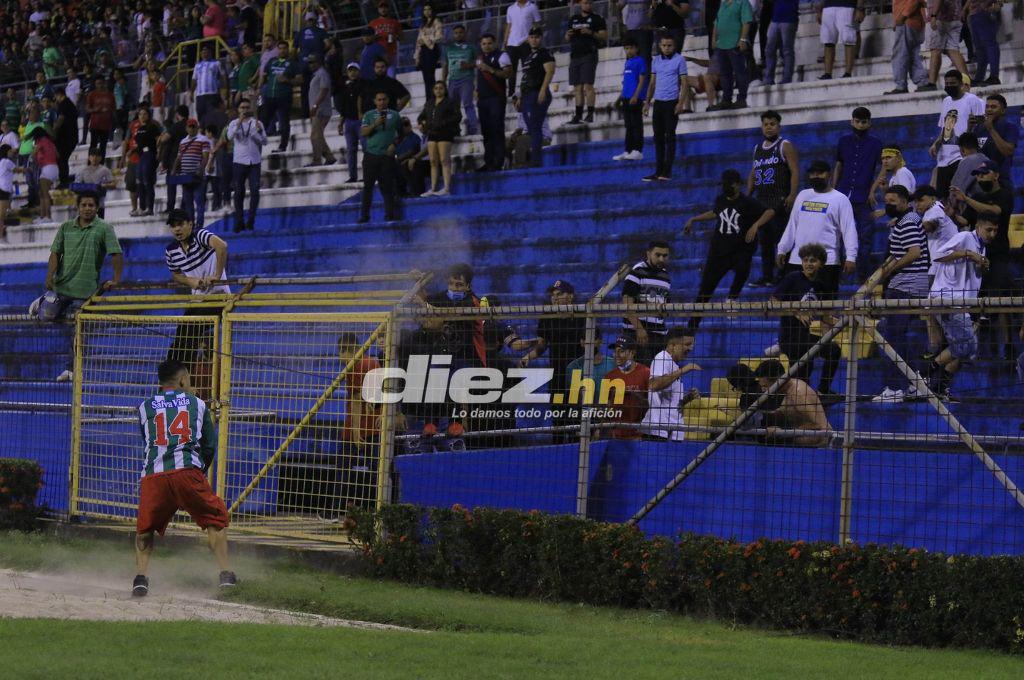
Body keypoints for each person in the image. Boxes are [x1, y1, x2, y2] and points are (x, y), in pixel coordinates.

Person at [132, 358, 235, 598]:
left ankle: (140, 578)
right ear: (182, 380)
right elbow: (209, 445)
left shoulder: (144, 407)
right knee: (215, 518)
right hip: (187, 472)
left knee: (145, 527)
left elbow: (148, 441)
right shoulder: (197, 404)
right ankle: (226, 575)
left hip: (154, 475)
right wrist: (199, 471)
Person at [685, 169, 774, 327]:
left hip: (739, 249)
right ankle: (692, 327)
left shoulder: (747, 202)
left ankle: (732, 299)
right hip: (719, 251)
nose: (727, 187)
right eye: (725, 184)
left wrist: (755, 225)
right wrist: (694, 219)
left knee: (743, 267)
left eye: (730, 184)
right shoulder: (720, 199)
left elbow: (769, 211)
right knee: (705, 290)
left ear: (738, 185)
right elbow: (715, 212)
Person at [927, 216, 998, 400]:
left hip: (963, 303)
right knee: (967, 346)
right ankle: (925, 374)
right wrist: (967, 253)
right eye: (989, 230)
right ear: (978, 227)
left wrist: (982, 265)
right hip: (947, 299)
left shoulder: (982, 247)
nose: (992, 234)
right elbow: (938, 256)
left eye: (995, 231)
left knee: (968, 349)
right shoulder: (966, 237)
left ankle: (938, 388)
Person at [872, 185, 931, 402]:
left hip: (905, 285)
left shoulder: (907, 222)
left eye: (893, 201)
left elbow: (914, 252)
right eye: (886, 201)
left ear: (905, 201)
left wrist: (890, 270)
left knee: (891, 338)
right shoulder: (908, 220)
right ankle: (915, 384)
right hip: (909, 284)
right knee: (898, 337)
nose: (888, 205)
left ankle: (895, 388)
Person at [39, 191, 123, 323]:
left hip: (85, 292)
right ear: (77, 207)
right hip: (60, 288)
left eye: (91, 205)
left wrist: (116, 280)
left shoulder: (105, 228)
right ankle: (42, 302)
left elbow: (116, 253)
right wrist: (50, 275)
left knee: (78, 325)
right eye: (83, 205)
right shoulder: (65, 227)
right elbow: (55, 253)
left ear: (97, 208)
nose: (87, 208)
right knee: (45, 316)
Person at [777, 161, 858, 296]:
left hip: (827, 262)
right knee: (793, 304)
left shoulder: (840, 199)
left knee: (825, 305)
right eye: (813, 173)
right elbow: (792, 225)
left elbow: (849, 230)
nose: (816, 176)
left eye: (820, 173)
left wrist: (851, 257)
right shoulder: (802, 195)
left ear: (829, 175)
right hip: (798, 260)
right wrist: (782, 249)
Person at [771, 243, 842, 396]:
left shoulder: (821, 285)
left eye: (813, 260)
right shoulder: (793, 278)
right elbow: (773, 301)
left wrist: (839, 323)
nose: (809, 264)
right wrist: (796, 312)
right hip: (790, 338)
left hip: (804, 337)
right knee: (801, 380)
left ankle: (822, 390)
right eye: (805, 260)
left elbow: (825, 316)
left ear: (821, 263)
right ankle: (813, 393)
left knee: (832, 351)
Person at [746, 110, 799, 286]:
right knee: (765, 241)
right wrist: (748, 195)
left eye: (772, 124)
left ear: (779, 126)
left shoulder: (784, 145)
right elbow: (754, 172)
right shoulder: (757, 148)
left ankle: (784, 275)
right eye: (766, 124)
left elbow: (794, 171)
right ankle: (767, 276)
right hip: (761, 200)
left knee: (781, 240)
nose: (769, 127)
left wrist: (792, 194)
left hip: (779, 199)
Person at [833, 107, 883, 282]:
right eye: (857, 121)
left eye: (863, 122)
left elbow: (882, 168)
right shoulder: (843, 141)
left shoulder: (876, 143)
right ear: (852, 121)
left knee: (865, 237)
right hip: (843, 194)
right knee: (838, 234)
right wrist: (833, 190)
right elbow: (839, 166)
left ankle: (863, 277)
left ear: (869, 123)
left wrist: (873, 190)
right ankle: (838, 275)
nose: (860, 125)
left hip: (863, 196)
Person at [640, 328, 701, 441]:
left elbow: (670, 402)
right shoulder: (662, 358)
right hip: (658, 431)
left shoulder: (674, 365)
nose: (690, 348)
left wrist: (688, 398)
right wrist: (683, 370)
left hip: (670, 431)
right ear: (673, 345)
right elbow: (654, 385)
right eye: (687, 344)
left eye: (691, 345)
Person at [642, 35, 687, 181]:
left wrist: (681, 103)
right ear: (660, 46)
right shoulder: (655, 60)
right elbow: (652, 83)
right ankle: (658, 171)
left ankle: (667, 171)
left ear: (674, 46)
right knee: (658, 138)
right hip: (659, 103)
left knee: (670, 136)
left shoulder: (680, 59)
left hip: (671, 102)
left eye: (669, 45)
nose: (666, 48)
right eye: (664, 45)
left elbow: (684, 83)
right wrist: (647, 102)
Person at [754, 358, 830, 446]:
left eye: (765, 386)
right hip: (804, 443)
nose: (763, 390)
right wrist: (761, 415)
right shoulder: (788, 390)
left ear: (777, 380)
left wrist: (782, 432)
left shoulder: (798, 393)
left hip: (820, 446)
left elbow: (817, 425)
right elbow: (790, 412)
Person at [622, 240, 672, 364]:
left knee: (658, 371)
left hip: (659, 334)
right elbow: (627, 304)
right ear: (648, 254)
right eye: (658, 255)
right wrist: (639, 329)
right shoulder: (636, 272)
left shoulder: (665, 276)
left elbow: (666, 304)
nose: (661, 259)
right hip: (637, 333)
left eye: (665, 256)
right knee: (642, 370)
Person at [359, 91, 402, 223]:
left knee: (387, 187)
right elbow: (363, 132)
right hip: (371, 155)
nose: (382, 102)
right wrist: (375, 124)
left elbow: (401, 134)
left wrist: (394, 144)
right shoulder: (368, 115)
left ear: (388, 100)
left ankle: (389, 215)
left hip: (387, 156)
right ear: (375, 101)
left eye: (384, 99)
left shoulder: (395, 115)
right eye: (379, 100)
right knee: (368, 187)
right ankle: (364, 216)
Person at [518, 28, 556, 169]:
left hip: (537, 92)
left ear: (541, 38)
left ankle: (535, 161)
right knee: (531, 128)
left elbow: (550, 71)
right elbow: (525, 78)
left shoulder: (544, 53)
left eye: (537, 37)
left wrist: (543, 90)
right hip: (528, 94)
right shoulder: (529, 57)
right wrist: (521, 96)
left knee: (535, 127)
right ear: (528, 39)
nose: (534, 40)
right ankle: (533, 159)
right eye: (532, 37)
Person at [565, 0, 607, 125]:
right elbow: (567, 38)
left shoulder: (597, 18)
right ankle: (578, 115)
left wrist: (590, 32)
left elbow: (604, 36)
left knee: (588, 85)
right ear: (580, 4)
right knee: (577, 87)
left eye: (589, 3)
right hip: (575, 55)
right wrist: (568, 35)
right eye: (585, 3)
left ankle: (590, 114)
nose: (587, 5)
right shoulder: (574, 19)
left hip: (589, 53)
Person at [601, 336, 651, 440]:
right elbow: (603, 409)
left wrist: (636, 396)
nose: (616, 355)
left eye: (621, 351)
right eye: (615, 352)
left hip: (639, 434)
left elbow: (653, 405)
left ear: (632, 353)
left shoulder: (646, 373)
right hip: (615, 435)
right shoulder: (609, 377)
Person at [227, 98, 266, 232]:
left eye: (247, 107)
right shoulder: (233, 123)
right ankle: (239, 221)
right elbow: (229, 137)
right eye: (242, 107)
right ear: (238, 110)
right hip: (239, 161)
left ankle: (251, 221)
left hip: (254, 161)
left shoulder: (257, 123)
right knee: (238, 192)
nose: (245, 110)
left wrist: (258, 132)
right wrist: (239, 122)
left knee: (255, 190)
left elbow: (265, 141)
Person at [476, 33, 513, 172]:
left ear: (495, 43)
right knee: (486, 131)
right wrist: (476, 89)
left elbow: (508, 73)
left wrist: (490, 69)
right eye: (484, 43)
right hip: (483, 99)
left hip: (496, 98)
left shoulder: (502, 56)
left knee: (497, 129)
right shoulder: (479, 58)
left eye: (489, 43)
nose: (486, 46)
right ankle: (489, 161)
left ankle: (499, 161)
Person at [421, 82, 461, 197]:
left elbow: (457, 116)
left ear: (445, 90)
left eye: (441, 88)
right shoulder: (429, 103)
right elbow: (422, 116)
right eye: (436, 88)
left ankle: (447, 188)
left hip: (445, 133)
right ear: (433, 90)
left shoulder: (450, 102)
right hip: (432, 133)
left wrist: (443, 123)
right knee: (433, 161)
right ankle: (433, 188)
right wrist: (422, 123)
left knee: (444, 160)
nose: (438, 90)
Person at [709, 0, 751, 110]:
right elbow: (716, 22)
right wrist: (713, 39)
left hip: (735, 43)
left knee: (740, 73)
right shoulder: (723, 4)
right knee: (724, 74)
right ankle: (726, 100)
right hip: (721, 45)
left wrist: (743, 39)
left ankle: (741, 99)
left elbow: (746, 22)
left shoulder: (743, 2)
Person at [260, 40, 298, 153]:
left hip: (284, 97)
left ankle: (283, 146)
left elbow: (300, 80)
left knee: (284, 122)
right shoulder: (272, 61)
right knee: (263, 121)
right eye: (280, 48)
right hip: (270, 96)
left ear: (287, 49)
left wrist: (287, 80)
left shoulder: (292, 63)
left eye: (284, 48)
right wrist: (259, 88)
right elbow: (264, 76)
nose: (282, 50)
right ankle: (257, 144)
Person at [971, 94, 1018, 186]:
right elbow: (969, 153)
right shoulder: (979, 128)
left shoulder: (1010, 127)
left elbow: (1008, 151)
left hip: (1000, 180)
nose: (989, 109)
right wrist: (969, 129)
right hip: (979, 180)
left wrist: (991, 129)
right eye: (987, 107)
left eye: (993, 107)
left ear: (1003, 110)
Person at [442, 25, 480, 137]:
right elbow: (445, 65)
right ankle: (455, 130)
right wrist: (443, 81)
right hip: (452, 81)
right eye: (456, 33)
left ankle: (473, 129)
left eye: (461, 32)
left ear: (465, 33)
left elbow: (479, 62)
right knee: (453, 107)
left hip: (466, 79)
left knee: (468, 104)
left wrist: (469, 65)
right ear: (453, 35)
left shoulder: (472, 47)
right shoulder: (448, 48)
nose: (458, 35)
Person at [885, 0, 930, 94]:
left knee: (900, 55)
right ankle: (922, 82)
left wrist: (902, 17)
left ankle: (901, 86)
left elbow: (914, 1)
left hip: (907, 22)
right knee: (913, 55)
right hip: (914, 22)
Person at [175, 118, 212, 227]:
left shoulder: (203, 139)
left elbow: (205, 156)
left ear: (197, 127)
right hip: (185, 176)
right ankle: (191, 225)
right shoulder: (183, 141)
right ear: (186, 128)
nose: (191, 129)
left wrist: (201, 170)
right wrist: (174, 170)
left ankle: (199, 225)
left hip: (197, 176)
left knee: (199, 202)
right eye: (189, 127)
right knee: (188, 203)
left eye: (193, 126)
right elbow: (179, 157)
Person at [614, 38, 647, 162]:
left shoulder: (640, 61)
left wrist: (636, 96)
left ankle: (638, 150)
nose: (629, 50)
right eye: (626, 48)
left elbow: (641, 80)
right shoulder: (627, 62)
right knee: (628, 125)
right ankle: (628, 150)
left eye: (631, 48)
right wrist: (620, 98)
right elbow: (626, 82)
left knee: (636, 124)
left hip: (634, 98)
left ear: (636, 48)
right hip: (626, 97)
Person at [925, 0, 968, 89]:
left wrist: (933, 15)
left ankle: (932, 83)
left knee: (935, 50)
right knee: (953, 50)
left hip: (940, 18)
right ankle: (966, 80)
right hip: (955, 17)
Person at [503, 0, 543, 94]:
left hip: (526, 42)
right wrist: (505, 40)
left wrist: (532, 38)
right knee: (511, 69)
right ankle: (511, 92)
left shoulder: (532, 7)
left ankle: (527, 90)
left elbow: (537, 24)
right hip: (512, 43)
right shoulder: (510, 8)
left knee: (527, 68)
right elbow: (509, 25)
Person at [817, 0, 861, 80]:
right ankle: (827, 73)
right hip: (828, 7)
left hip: (847, 6)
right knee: (828, 41)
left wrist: (860, 8)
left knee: (848, 39)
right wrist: (819, 10)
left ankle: (848, 73)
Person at [336, 62, 365, 184]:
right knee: (351, 150)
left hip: (361, 121)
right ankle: (352, 176)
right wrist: (341, 123)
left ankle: (368, 174)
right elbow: (344, 107)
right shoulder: (345, 88)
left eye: (355, 70)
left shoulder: (364, 85)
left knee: (366, 148)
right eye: (350, 70)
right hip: (349, 121)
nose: (352, 73)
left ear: (359, 71)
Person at [158, 106, 190, 214]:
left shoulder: (176, 126)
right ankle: (184, 206)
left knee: (172, 184)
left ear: (177, 115)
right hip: (188, 158)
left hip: (175, 158)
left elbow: (164, 139)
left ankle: (170, 207)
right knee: (185, 184)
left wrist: (161, 137)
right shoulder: (191, 125)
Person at [306, 54, 337, 167]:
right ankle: (329, 157)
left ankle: (317, 160)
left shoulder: (322, 74)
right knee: (318, 135)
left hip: (321, 110)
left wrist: (315, 106)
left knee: (315, 136)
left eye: (313, 62)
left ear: (318, 62)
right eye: (309, 62)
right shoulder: (317, 74)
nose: (311, 65)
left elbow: (324, 90)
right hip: (317, 110)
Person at [869, 144, 916, 217]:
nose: (885, 161)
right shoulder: (894, 177)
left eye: (889, 157)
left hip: (907, 218)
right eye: (883, 158)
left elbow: (906, 197)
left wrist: (884, 211)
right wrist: (886, 189)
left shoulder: (902, 172)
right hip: (901, 217)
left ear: (898, 158)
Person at [762, 0, 798, 85]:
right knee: (769, 49)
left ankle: (787, 78)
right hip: (775, 18)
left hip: (789, 18)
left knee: (787, 50)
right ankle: (768, 79)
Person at [967, 0, 1002, 85]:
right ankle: (979, 77)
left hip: (985, 11)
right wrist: (965, 10)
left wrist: (988, 5)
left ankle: (994, 76)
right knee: (980, 47)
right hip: (975, 13)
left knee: (990, 44)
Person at [76, 147, 117, 217]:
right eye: (92, 156)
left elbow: (114, 184)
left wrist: (104, 186)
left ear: (100, 158)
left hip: (99, 203)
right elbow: (77, 186)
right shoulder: (83, 171)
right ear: (89, 157)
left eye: (97, 156)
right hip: (86, 204)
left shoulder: (105, 170)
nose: (94, 158)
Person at [29, 127, 58, 222]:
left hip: (47, 168)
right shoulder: (51, 142)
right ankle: (43, 216)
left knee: (45, 194)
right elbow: (58, 155)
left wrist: (35, 154)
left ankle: (48, 217)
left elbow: (32, 156)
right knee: (41, 193)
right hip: (54, 168)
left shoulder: (40, 142)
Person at [414, 4, 444, 98]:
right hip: (423, 51)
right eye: (425, 9)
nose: (427, 11)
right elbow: (418, 41)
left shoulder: (436, 21)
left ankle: (434, 98)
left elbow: (439, 37)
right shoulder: (423, 24)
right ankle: (429, 99)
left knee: (430, 76)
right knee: (426, 78)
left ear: (432, 10)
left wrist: (426, 39)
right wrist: (416, 56)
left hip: (431, 50)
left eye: (429, 9)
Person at [192, 44, 225, 122]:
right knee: (201, 115)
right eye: (202, 51)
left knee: (213, 115)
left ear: (210, 52)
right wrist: (191, 91)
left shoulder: (216, 63)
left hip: (213, 94)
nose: (204, 53)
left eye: (206, 51)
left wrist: (224, 89)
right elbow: (194, 79)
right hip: (200, 95)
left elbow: (223, 76)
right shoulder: (197, 65)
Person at [53, 88, 78, 188]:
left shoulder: (64, 104)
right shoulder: (70, 104)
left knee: (62, 159)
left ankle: (64, 181)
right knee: (62, 159)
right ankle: (64, 180)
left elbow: (60, 119)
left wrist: (53, 130)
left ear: (59, 94)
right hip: (70, 136)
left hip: (66, 138)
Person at [369, 2, 402, 77]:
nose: (383, 9)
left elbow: (402, 37)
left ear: (388, 9)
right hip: (378, 54)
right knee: (378, 76)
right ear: (378, 10)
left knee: (391, 76)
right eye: (381, 8)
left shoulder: (395, 22)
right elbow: (368, 39)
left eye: (385, 7)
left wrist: (395, 37)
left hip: (391, 53)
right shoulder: (373, 23)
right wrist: (375, 37)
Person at [86, 76, 116, 158]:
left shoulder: (110, 95)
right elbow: (87, 109)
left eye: (101, 83)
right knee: (93, 145)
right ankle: (91, 162)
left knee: (103, 145)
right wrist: (96, 110)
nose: (100, 85)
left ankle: (101, 162)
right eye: (98, 83)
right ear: (95, 84)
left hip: (106, 124)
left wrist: (115, 122)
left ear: (104, 83)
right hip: (95, 124)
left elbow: (114, 109)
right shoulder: (92, 95)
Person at [0, 144, 15, 243]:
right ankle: (1, 237)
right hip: (4, 190)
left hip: (2, 188)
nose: (12, 153)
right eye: (10, 151)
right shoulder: (7, 162)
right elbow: (17, 170)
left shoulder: (1, 162)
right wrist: (27, 169)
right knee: (1, 215)